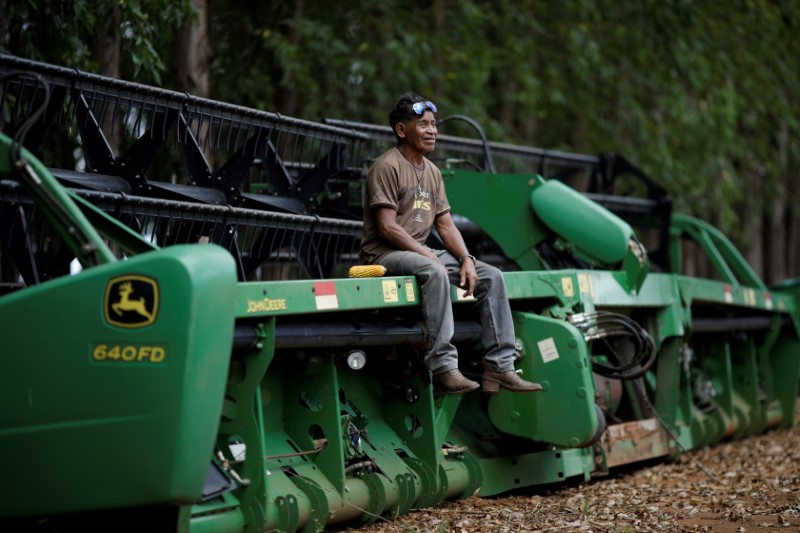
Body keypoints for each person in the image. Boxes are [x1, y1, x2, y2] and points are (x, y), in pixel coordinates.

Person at [360, 93, 542, 396]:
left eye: (434, 124)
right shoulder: (386, 166)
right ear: (402, 130)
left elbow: (445, 224)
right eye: (423, 124)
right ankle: (444, 367)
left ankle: (499, 367)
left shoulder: (432, 171)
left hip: (419, 252)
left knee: (491, 276)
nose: (432, 130)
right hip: (383, 255)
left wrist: (467, 258)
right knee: (434, 271)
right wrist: (428, 255)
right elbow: (387, 226)